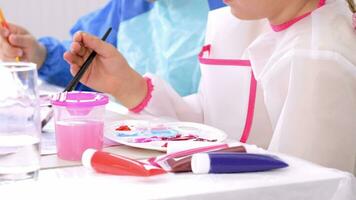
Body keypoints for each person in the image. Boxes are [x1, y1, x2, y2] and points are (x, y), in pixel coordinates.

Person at [64, 0, 356, 173]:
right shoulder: (240, 22)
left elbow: (308, 185)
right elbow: (213, 123)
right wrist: (126, 85)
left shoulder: (318, 58)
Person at [0, 0, 226, 95]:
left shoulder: (232, 8)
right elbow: (87, 62)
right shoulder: (126, 7)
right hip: (137, 142)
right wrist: (40, 54)